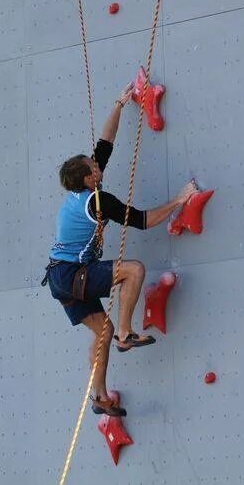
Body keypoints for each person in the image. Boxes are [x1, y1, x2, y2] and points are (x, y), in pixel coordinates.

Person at [42, 85, 196, 417]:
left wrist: (119, 104)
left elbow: (105, 144)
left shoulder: (82, 191)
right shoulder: (98, 201)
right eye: (93, 166)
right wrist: (179, 200)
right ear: (88, 177)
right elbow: (143, 220)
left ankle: (99, 396)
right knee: (134, 270)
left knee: (103, 331)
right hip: (71, 274)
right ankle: (126, 333)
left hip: (59, 277)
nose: (98, 165)